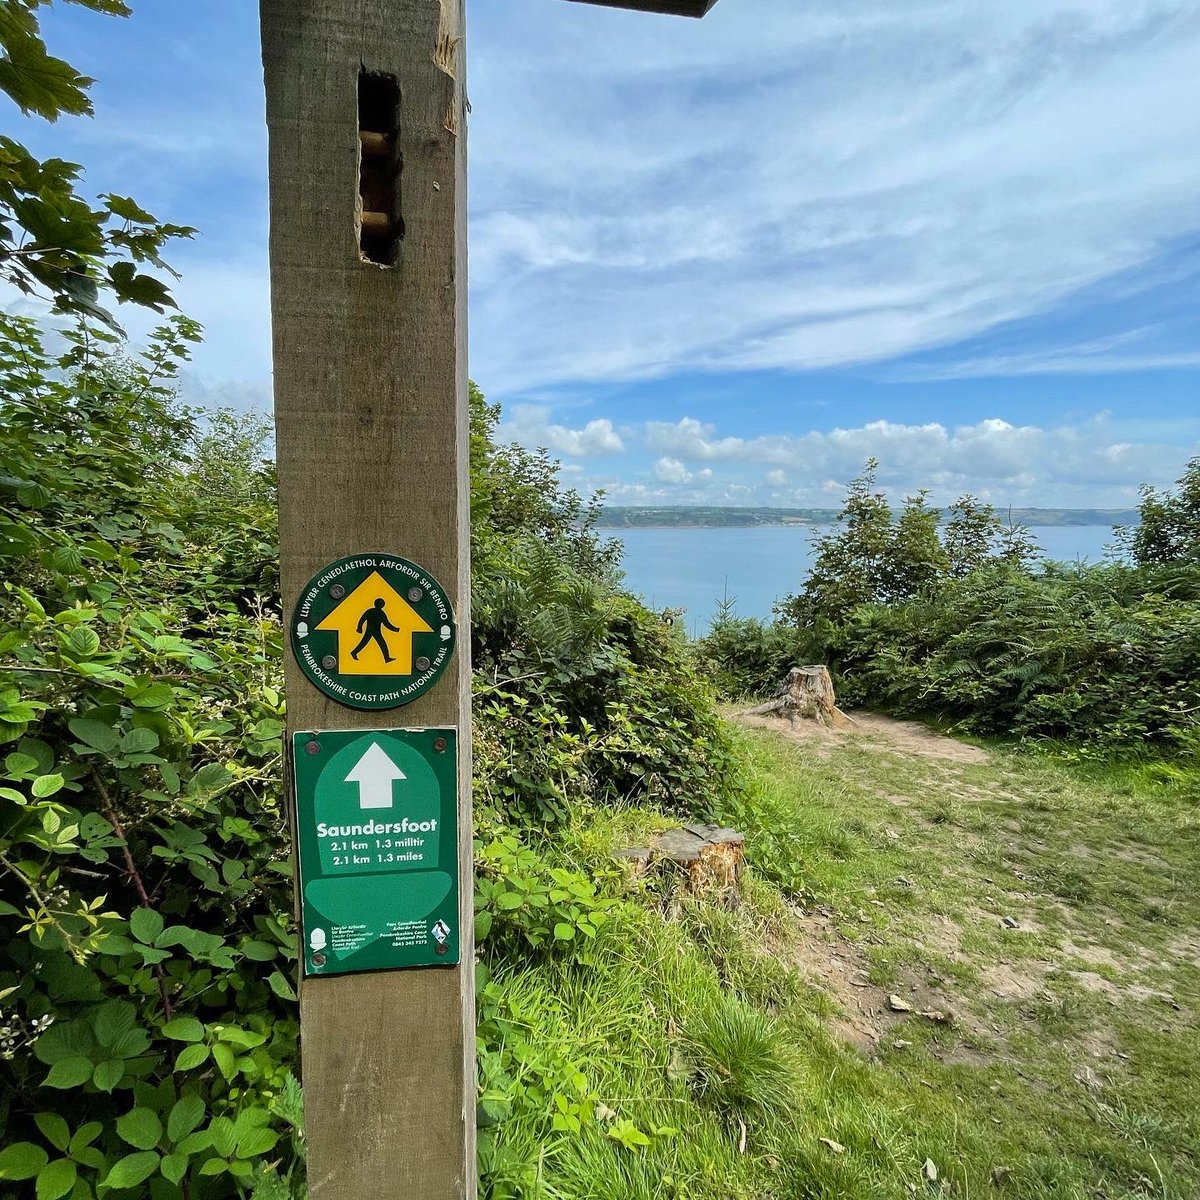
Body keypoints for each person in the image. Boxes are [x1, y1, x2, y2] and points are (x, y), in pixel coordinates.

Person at [351, 598, 400, 662]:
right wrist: (395, 629)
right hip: (374, 631)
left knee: (366, 643)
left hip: (373, 630)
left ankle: (354, 652)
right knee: (380, 643)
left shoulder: (370, 611)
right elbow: (387, 624)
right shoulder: (381, 613)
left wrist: (359, 628)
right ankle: (387, 658)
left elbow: (362, 619)